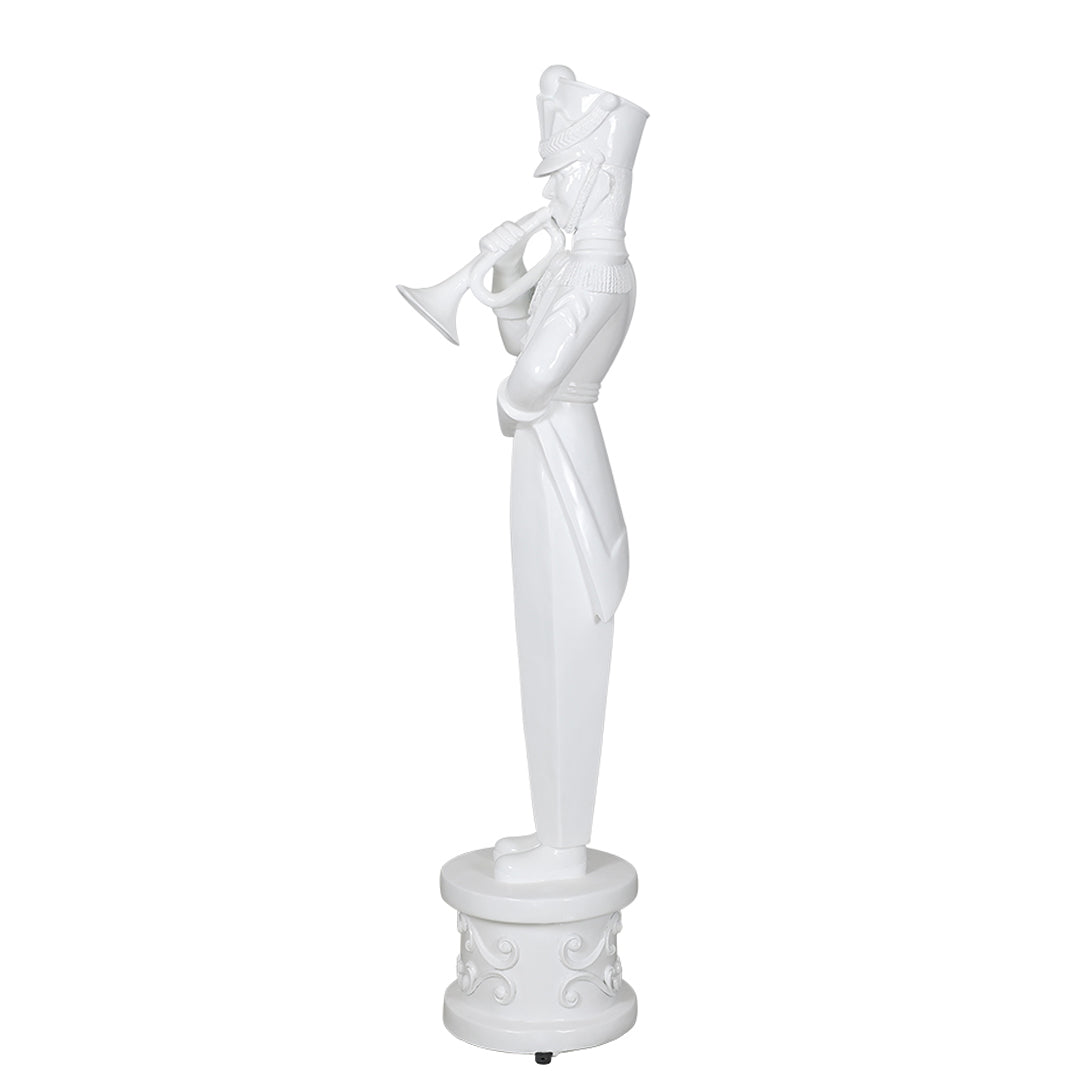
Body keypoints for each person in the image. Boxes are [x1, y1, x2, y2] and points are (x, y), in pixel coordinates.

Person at [481, 67, 648, 883]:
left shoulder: (594, 274)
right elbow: (523, 345)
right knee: (541, 640)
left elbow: (528, 385)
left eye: (565, 173)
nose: (552, 191)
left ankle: (564, 845)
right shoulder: (576, 267)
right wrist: (509, 279)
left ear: (602, 178)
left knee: (564, 645)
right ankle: (552, 831)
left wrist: (511, 391)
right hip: (547, 452)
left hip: (562, 459)